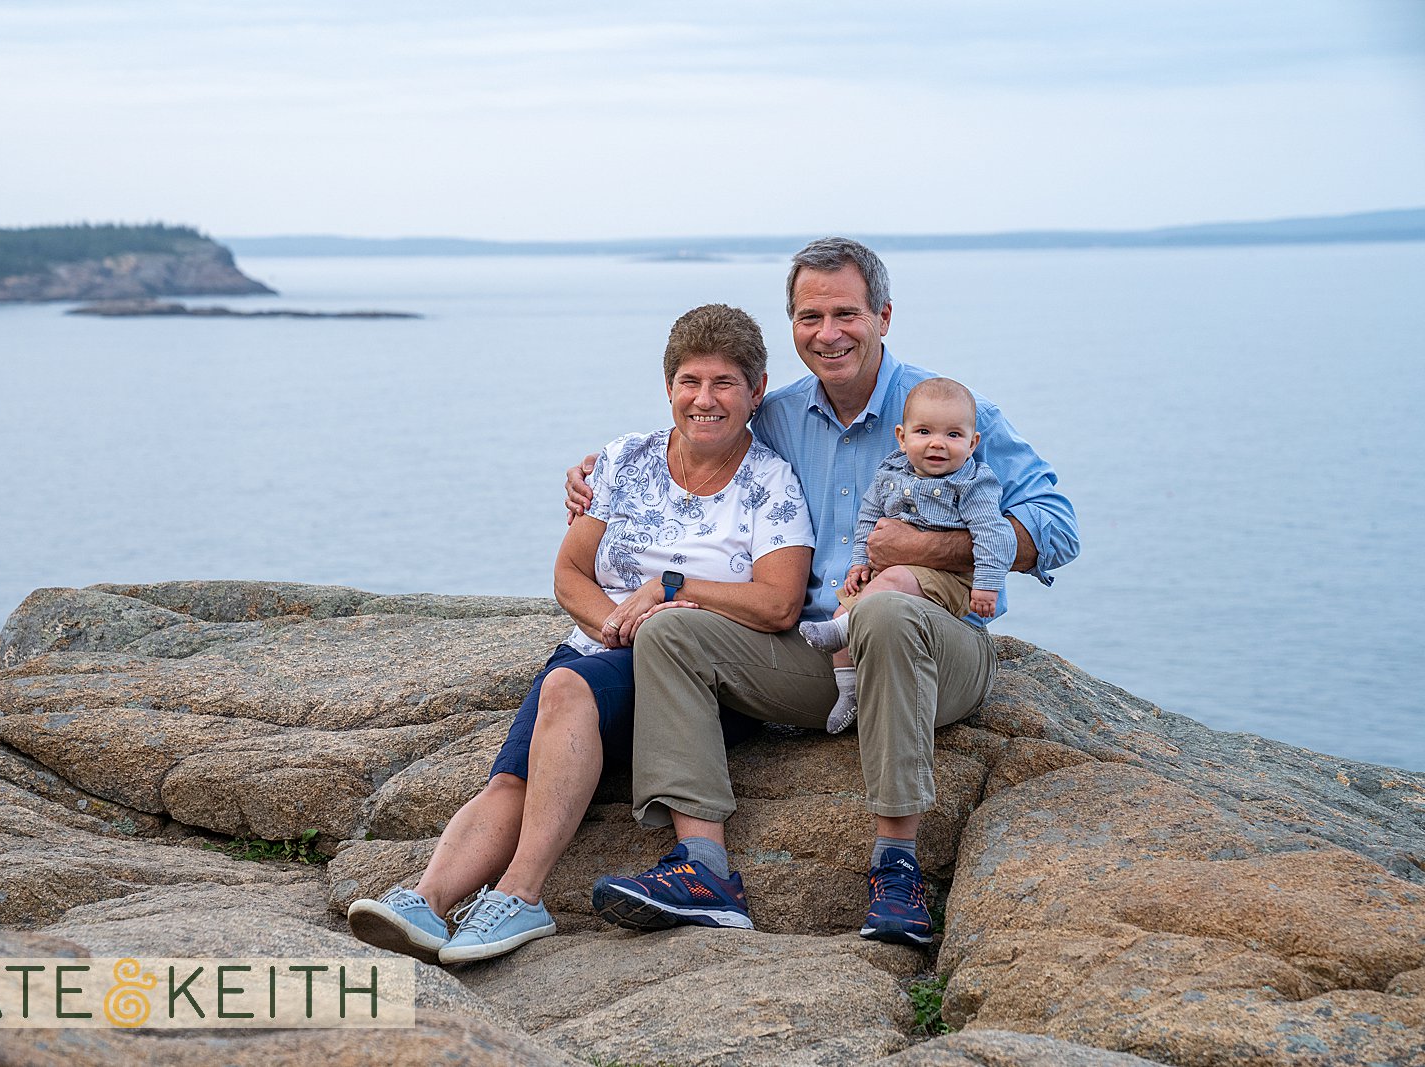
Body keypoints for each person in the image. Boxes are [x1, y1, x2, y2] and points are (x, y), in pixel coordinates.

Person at [568, 237, 1078, 946]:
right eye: (811, 316)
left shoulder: (949, 411)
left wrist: (926, 549)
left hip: (933, 650)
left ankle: (896, 869)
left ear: (884, 317)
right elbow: (692, 432)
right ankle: (704, 868)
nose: (828, 333)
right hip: (814, 655)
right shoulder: (775, 415)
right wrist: (599, 474)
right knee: (669, 629)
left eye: (846, 313)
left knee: (890, 610)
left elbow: (1058, 528)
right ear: (793, 325)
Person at [347, 303, 814, 964]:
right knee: (511, 779)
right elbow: (570, 572)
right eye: (689, 381)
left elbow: (777, 603)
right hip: (603, 649)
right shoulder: (627, 459)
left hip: (695, 672)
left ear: (756, 391)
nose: (703, 399)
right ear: (668, 386)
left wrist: (668, 600)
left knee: (567, 684)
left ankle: (520, 895)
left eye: (723, 383)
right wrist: (616, 626)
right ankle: (424, 900)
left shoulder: (770, 482)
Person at [798, 376, 1015, 735]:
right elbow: (867, 519)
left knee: (883, 591)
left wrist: (987, 587)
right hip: (892, 575)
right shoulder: (890, 473)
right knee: (843, 607)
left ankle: (841, 631)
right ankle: (848, 691)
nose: (937, 444)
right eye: (924, 432)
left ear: (973, 443)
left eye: (953, 436)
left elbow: (993, 535)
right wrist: (858, 563)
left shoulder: (972, 482)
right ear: (902, 436)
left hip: (948, 581)